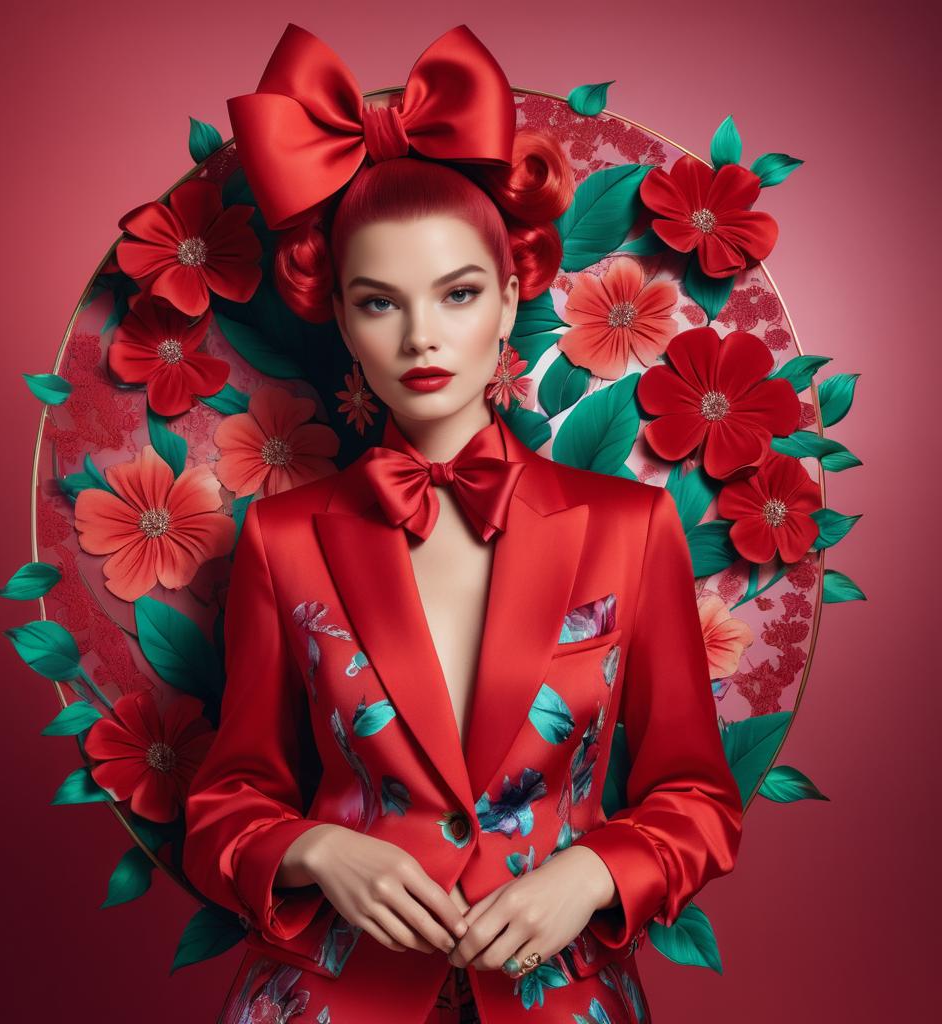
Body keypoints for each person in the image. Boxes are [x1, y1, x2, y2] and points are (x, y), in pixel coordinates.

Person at [182, 23, 743, 1024]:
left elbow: (696, 799)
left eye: (457, 292)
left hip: (561, 998)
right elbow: (227, 807)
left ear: (511, 297)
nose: (421, 336)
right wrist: (311, 846)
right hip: (326, 998)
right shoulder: (281, 538)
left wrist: (593, 873)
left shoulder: (631, 526)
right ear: (343, 325)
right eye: (377, 302)